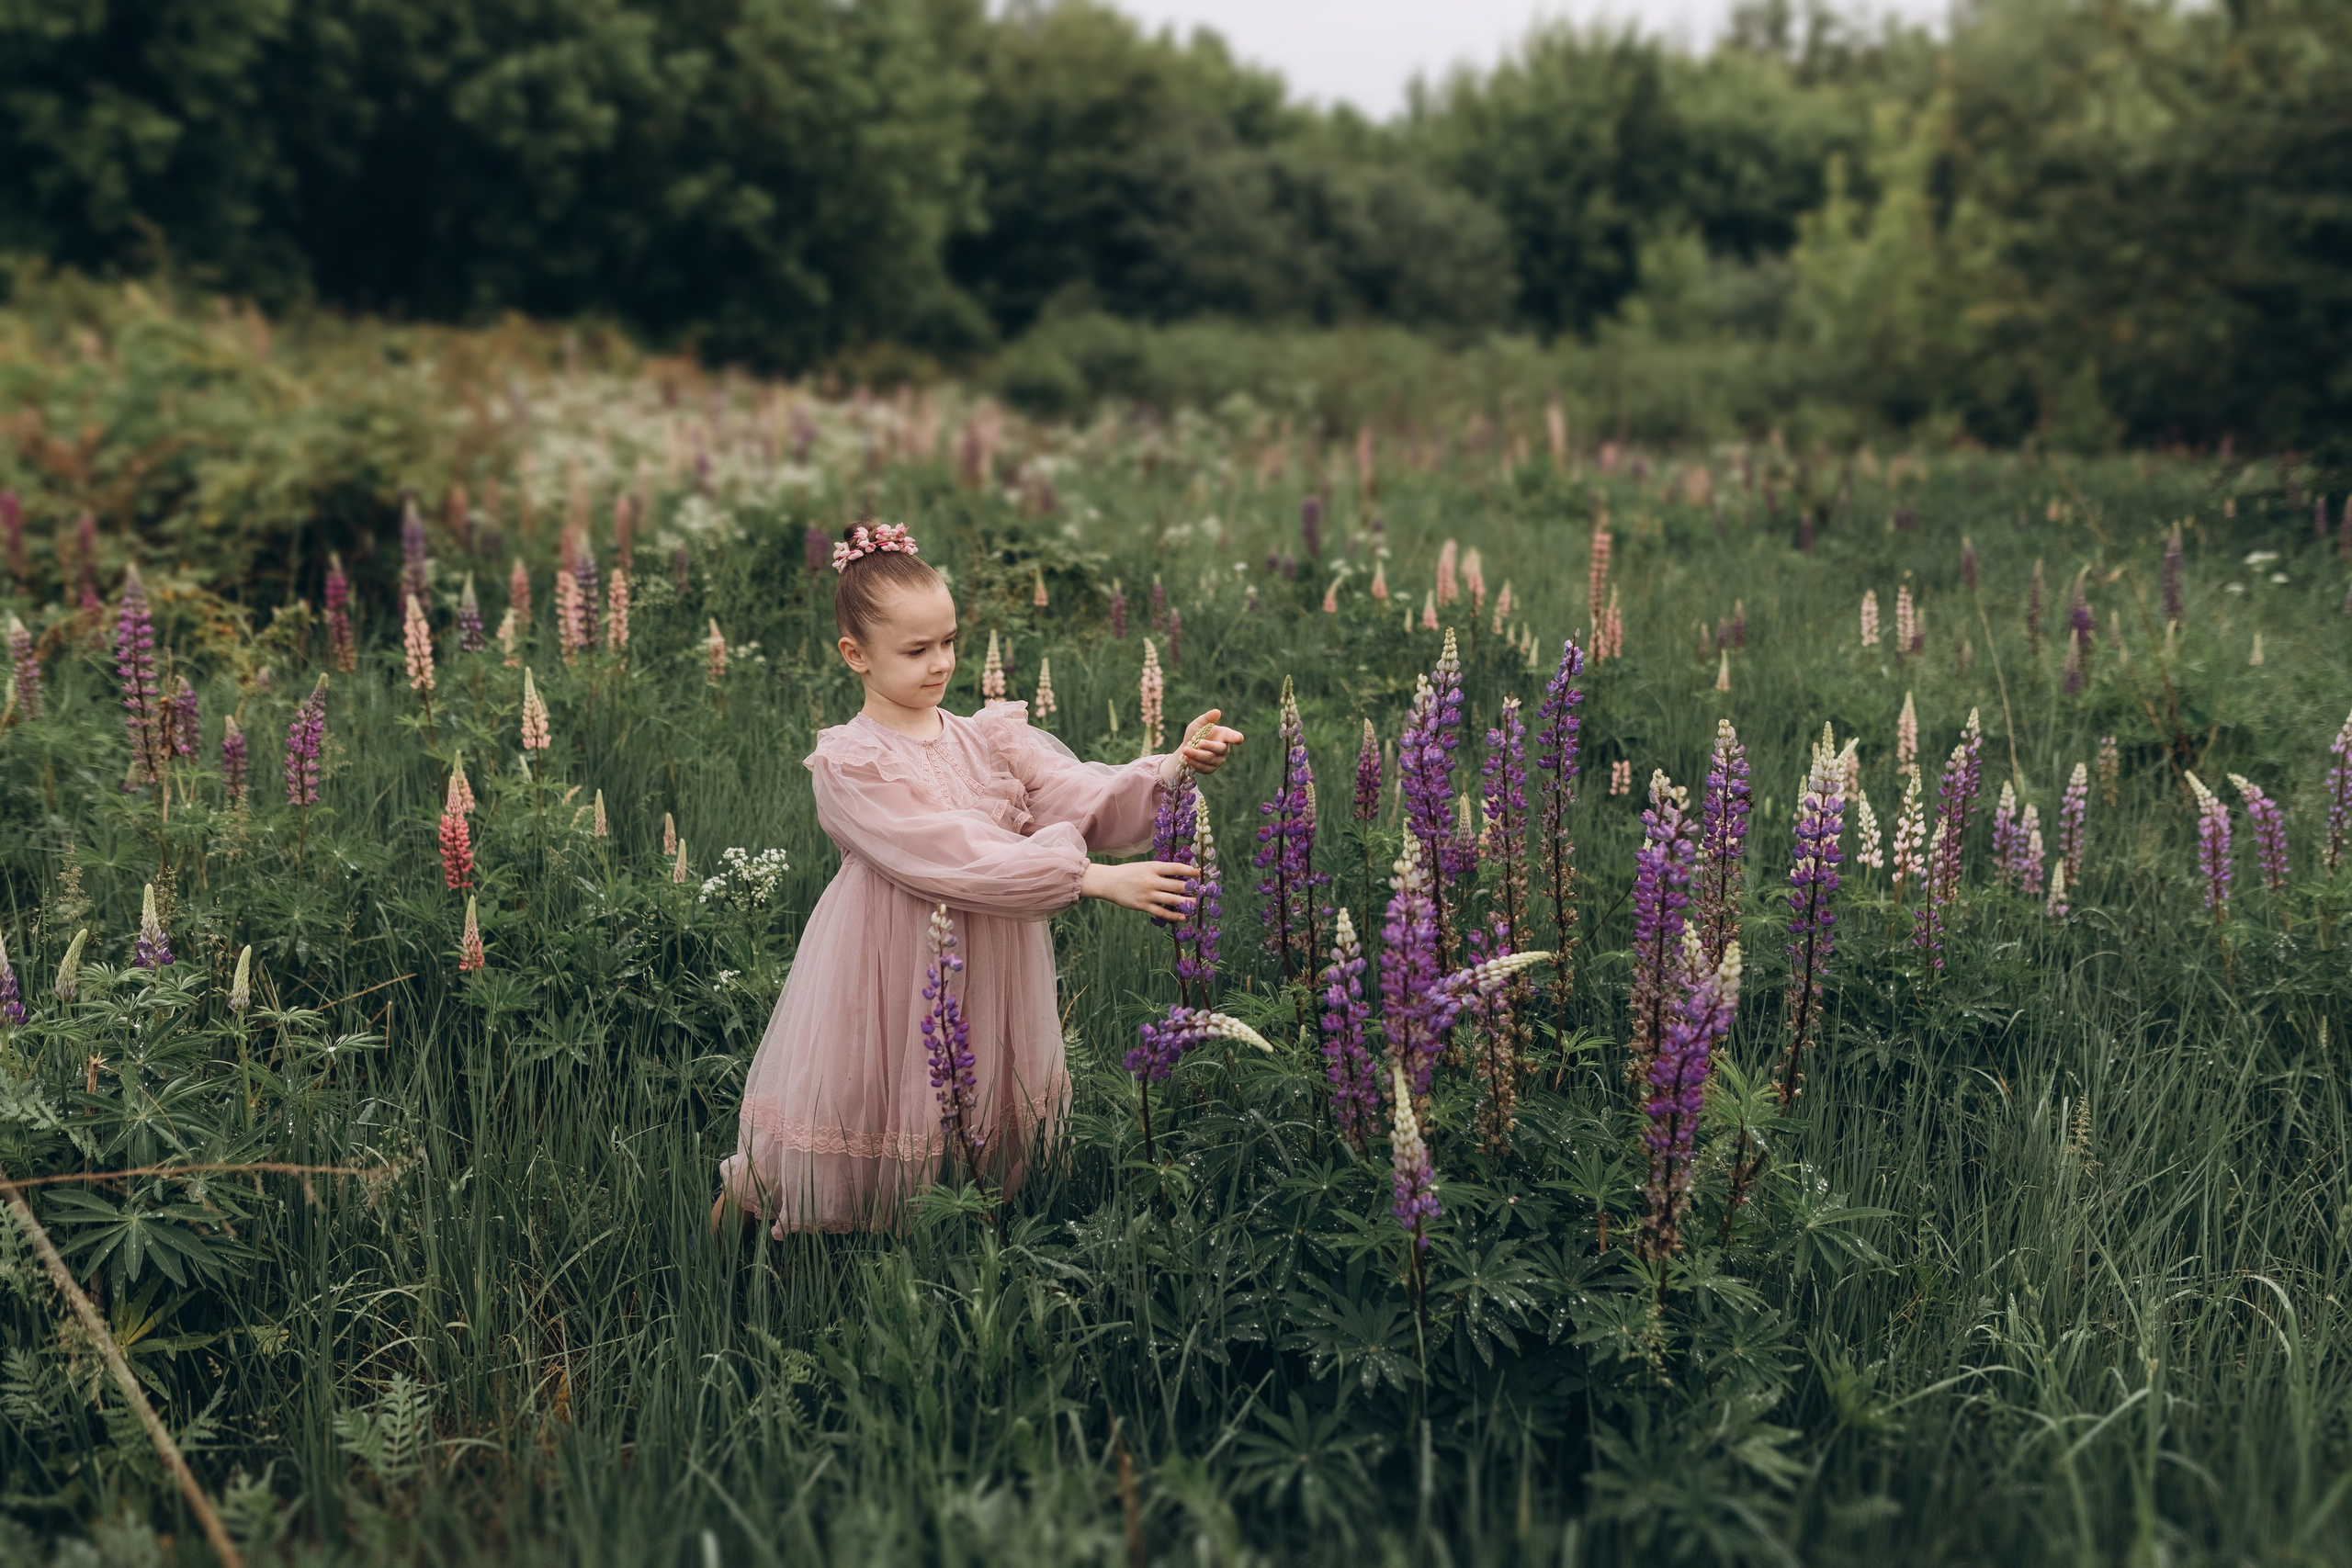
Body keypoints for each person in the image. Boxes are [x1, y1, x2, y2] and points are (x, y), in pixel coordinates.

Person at [715, 523, 1241, 1235]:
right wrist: (1090, 878)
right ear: (855, 656)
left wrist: (1170, 766)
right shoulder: (852, 764)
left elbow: (1074, 792)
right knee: (861, 1108)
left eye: (950, 641)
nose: (941, 663)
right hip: (890, 966)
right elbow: (950, 852)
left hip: (987, 963)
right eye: (916, 649)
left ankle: (949, 1262)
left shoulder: (984, 736)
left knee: (972, 1123)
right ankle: (722, 1261)